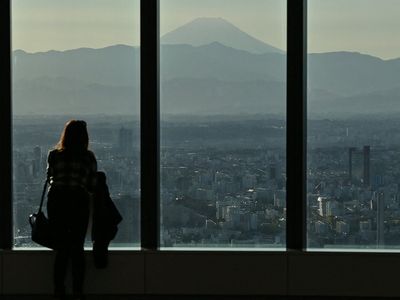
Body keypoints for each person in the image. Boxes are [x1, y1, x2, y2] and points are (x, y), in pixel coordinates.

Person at [46, 120, 97, 300]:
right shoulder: (88, 157)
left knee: (61, 249)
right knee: (77, 249)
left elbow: (50, 178)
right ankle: (78, 290)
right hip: (78, 201)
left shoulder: (54, 155)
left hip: (57, 202)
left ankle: (59, 290)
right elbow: (91, 186)